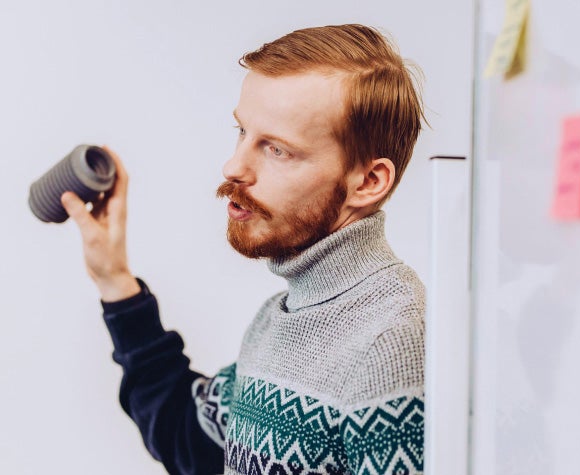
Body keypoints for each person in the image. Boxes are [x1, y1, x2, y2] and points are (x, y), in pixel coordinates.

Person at [61, 24, 426, 475]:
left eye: (276, 149)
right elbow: (192, 439)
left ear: (369, 182)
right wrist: (113, 279)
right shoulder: (282, 317)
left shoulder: (395, 346)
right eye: (242, 131)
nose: (233, 166)